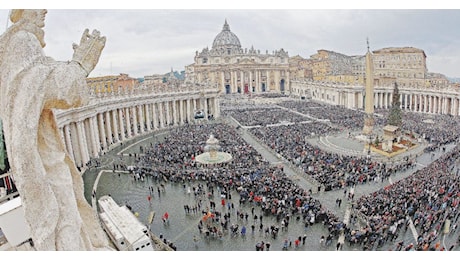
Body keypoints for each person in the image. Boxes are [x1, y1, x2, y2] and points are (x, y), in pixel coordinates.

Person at [0, 9, 106, 250]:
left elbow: (43, 77)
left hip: (40, 153)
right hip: (44, 163)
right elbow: (46, 85)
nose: (44, 10)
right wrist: (81, 64)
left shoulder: (17, 43)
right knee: (64, 220)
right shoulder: (22, 40)